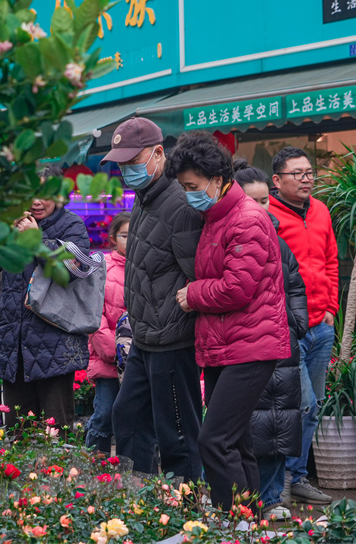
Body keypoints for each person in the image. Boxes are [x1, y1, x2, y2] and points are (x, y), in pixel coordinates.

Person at [168, 132, 290, 512]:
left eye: (192, 186)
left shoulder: (246, 219)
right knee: (236, 443)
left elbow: (238, 288)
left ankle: (232, 524)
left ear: (217, 180)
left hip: (252, 345)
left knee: (214, 440)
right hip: (228, 344)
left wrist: (193, 294)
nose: (189, 193)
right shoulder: (215, 216)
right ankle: (248, 525)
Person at [107, 117, 205, 483]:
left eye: (133, 162)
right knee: (127, 418)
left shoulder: (179, 203)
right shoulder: (146, 198)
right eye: (121, 164)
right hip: (145, 338)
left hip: (172, 339)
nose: (127, 171)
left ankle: (187, 514)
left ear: (159, 153)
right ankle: (141, 503)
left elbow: (197, 270)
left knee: (177, 435)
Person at [0, 165, 91, 431]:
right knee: (17, 430)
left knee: (56, 431)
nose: (36, 201)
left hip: (54, 344)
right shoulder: (13, 225)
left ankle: (61, 475)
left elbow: (76, 268)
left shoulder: (72, 225)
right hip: (14, 345)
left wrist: (36, 241)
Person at [234, 159, 308, 521]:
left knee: (283, 425)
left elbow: (295, 286)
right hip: (247, 346)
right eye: (252, 201)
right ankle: (250, 500)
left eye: (265, 201)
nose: (261, 208)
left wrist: (296, 324)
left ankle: (275, 497)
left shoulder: (279, 243)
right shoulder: (230, 237)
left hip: (283, 344)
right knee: (252, 426)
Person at [269, 147, 339, 504]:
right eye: (298, 173)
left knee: (314, 404)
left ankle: (297, 476)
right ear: (277, 181)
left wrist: (331, 308)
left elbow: (330, 260)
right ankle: (278, 479)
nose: (307, 178)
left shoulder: (322, 211)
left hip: (321, 325)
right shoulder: (267, 215)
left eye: (310, 172)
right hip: (286, 327)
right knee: (300, 404)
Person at [85, 211, 130, 453]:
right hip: (108, 360)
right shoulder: (101, 267)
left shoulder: (149, 266)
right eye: (125, 235)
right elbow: (94, 314)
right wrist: (114, 351)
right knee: (104, 415)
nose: (131, 240)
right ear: (113, 238)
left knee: (133, 419)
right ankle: (94, 468)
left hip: (137, 360)